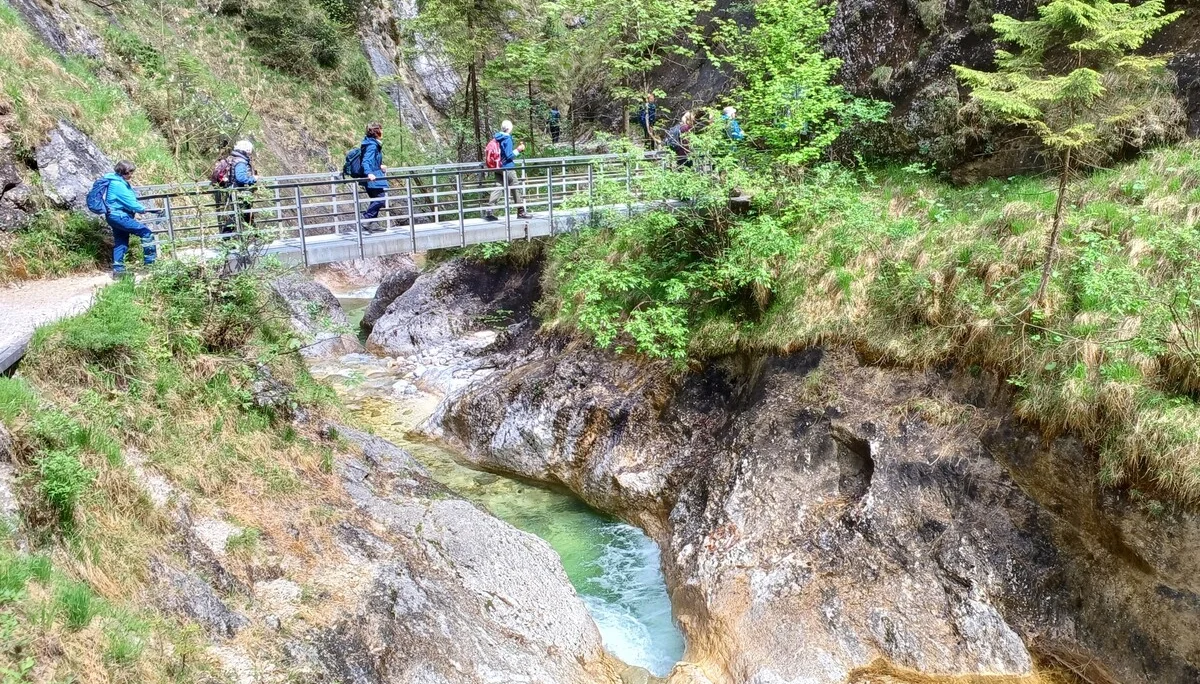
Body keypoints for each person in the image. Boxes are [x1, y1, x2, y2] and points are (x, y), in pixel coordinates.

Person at [102, 161, 157, 279]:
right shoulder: (118, 185)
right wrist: (146, 209)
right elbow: (131, 203)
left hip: (114, 216)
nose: (131, 175)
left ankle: (119, 271)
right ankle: (151, 265)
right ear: (122, 172)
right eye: (129, 172)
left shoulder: (117, 182)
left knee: (121, 241)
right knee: (146, 233)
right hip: (120, 216)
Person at [485, 120, 531, 221]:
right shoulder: (507, 138)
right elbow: (509, 155)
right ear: (509, 128)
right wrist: (519, 149)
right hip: (507, 167)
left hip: (498, 167)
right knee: (515, 186)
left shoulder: (497, 137)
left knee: (498, 187)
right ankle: (521, 211)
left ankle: (489, 210)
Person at [218, 139, 258, 238]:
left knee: (245, 213)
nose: (250, 153)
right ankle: (226, 236)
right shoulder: (241, 161)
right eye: (249, 151)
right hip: (239, 191)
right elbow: (241, 178)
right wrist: (253, 179)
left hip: (234, 190)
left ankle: (255, 235)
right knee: (237, 214)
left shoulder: (233, 158)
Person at [360, 122, 388, 232]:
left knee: (376, 199)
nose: (382, 131)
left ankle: (373, 224)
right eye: (381, 129)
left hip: (375, 174)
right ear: (376, 132)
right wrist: (369, 173)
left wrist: (379, 166)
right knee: (380, 198)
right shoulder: (372, 145)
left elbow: (371, 161)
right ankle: (366, 218)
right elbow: (366, 161)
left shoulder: (371, 143)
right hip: (373, 177)